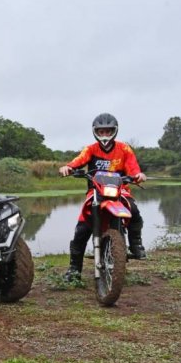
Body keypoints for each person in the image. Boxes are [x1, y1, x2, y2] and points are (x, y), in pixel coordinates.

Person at [59, 113, 147, 281]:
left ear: (115, 131)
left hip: (120, 191)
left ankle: (136, 245)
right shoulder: (91, 149)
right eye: (101, 131)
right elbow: (78, 161)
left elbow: (133, 168)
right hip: (96, 192)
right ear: (95, 132)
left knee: (134, 211)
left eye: (108, 131)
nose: (105, 135)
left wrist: (138, 175)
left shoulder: (124, 149)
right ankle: (74, 269)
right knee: (82, 229)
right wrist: (68, 167)